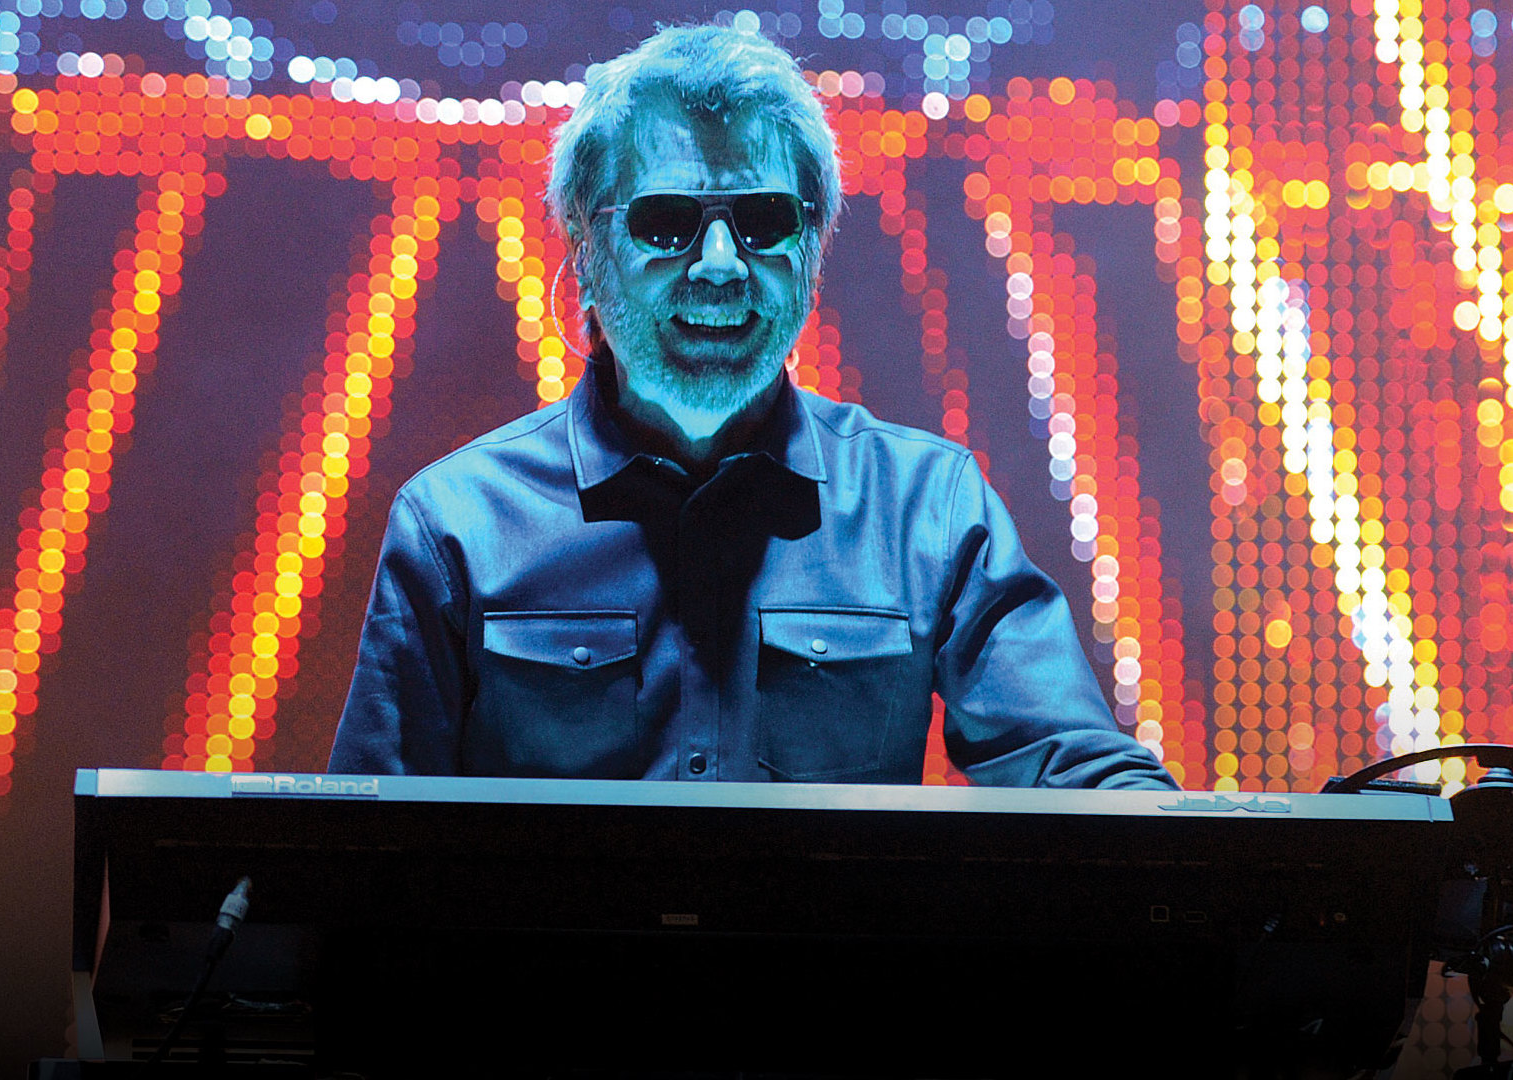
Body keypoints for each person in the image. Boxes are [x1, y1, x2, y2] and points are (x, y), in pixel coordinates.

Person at [328, 24, 1174, 789]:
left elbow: (1083, 777)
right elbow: (358, 867)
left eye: (765, 220)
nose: (724, 264)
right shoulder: (455, 526)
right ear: (586, 256)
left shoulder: (927, 507)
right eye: (668, 224)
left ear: (812, 250)